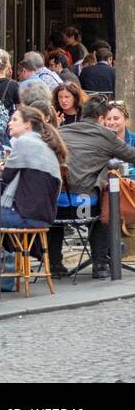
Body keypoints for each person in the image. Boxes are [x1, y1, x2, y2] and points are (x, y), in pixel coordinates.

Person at [0, 106, 64, 293]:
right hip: (42, 214)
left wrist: (3, 169)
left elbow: (6, 177)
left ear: (27, 125)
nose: (9, 123)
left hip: (27, 215)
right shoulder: (41, 143)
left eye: (14, 120)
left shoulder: (24, 142)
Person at [59, 97, 135, 277]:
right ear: (101, 119)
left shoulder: (61, 131)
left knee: (59, 208)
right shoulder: (106, 135)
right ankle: (100, 264)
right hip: (86, 202)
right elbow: (131, 155)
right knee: (105, 204)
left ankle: (54, 264)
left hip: (57, 203)